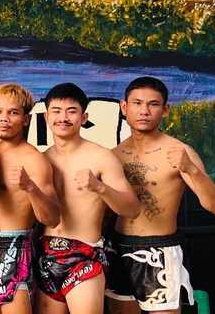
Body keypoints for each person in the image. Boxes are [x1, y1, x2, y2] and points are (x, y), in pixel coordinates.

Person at [105, 77, 215, 314]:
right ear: (124, 107)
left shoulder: (180, 152)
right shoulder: (113, 155)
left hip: (160, 252)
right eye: (137, 103)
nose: (144, 111)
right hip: (117, 248)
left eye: (153, 104)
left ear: (165, 110)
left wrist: (190, 168)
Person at [36, 83, 140, 314]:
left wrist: (99, 187)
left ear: (84, 117)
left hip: (84, 256)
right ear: (46, 116)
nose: (63, 117)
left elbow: (132, 209)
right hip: (46, 254)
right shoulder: (41, 160)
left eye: (71, 111)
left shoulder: (101, 157)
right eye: (56, 111)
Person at [0, 84, 60, 314]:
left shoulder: (33, 159)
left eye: (13, 113)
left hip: (16, 245)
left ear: (25, 120)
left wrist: (30, 187)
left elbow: (52, 218)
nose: (5, 118)